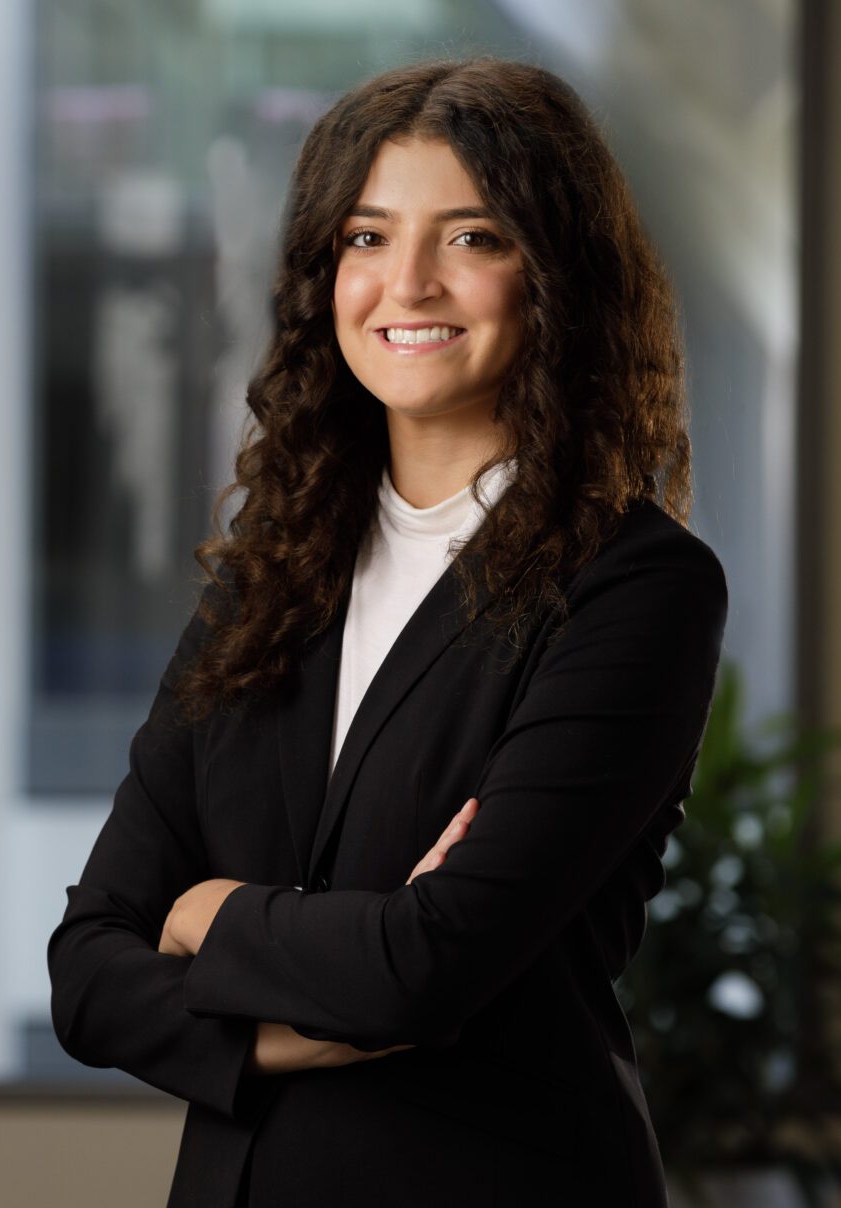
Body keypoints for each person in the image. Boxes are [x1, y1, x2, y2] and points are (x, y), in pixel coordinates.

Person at [48, 56, 728, 1208]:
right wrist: (311, 1015)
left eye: (470, 237)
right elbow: (87, 971)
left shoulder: (635, 589)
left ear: (556, 276)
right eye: (366, 238)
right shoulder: (267, 576)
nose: (406, 283)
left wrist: (209, 913)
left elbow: (422, 966)